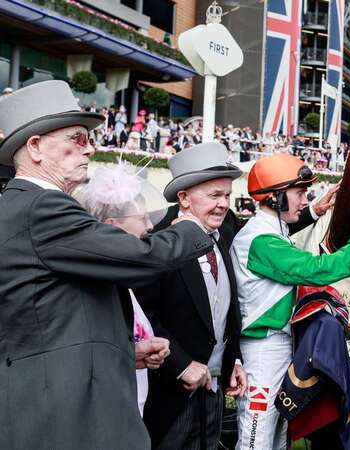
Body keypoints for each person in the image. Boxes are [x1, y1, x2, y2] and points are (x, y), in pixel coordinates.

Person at [0, 80, 214, 450]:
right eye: (78, 139)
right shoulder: (42, 207)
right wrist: (194, 224)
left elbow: (49, 321)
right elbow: (141, 259)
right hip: (65, 415)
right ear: (35, 147)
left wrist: (121, 350)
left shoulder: (25, 207)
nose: (90, 148)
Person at [231, 153, 350, 450]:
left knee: (277, 438)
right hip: (264, 351)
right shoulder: (261, 241)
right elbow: (316, 270)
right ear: (276, 198)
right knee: (257, 438)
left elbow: (285, 234)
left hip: (276, 345)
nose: (305, 199)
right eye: (300, 193)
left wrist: (315, 210)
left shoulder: (268, 232)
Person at [134, 143, 247, 450]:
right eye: (214, 196)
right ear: (183, 197)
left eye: (227, 195)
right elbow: (144, 317)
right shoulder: (159, 246)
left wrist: (231, 360)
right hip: (170, 399)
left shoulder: (223, 236)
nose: (224, 204)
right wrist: (182, 365)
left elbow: (225, 309)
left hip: (212, 394)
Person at [74, 165, 172, 416]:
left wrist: (137, 354)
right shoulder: (92, 286)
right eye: (142, 218)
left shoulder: (122, 283)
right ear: (111, 226)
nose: (150, 226)